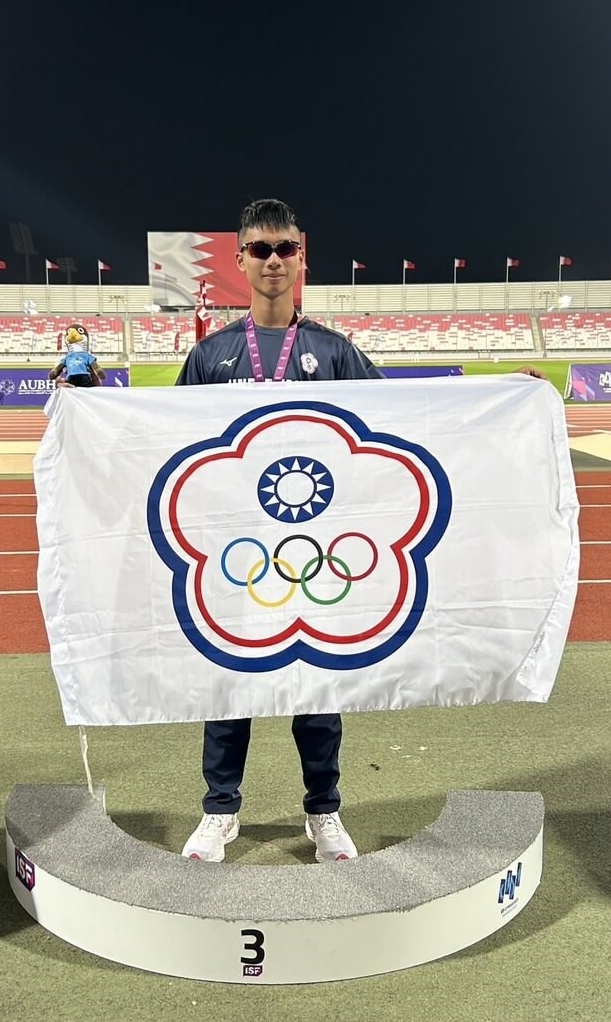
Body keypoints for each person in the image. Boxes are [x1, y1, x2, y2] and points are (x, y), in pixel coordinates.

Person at [177, 198, 383, 865]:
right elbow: (165, 444)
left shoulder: (334, 351)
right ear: (239, 260)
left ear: (302, 257)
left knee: (318, 685)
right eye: (259, 249)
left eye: (283, 249)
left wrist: (500, 396)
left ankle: (324, 813)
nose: (272, 260)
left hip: (315, 554)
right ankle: (219, 812)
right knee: (229, 681)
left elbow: (406, 421)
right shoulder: (211, 355)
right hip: (235, 553)